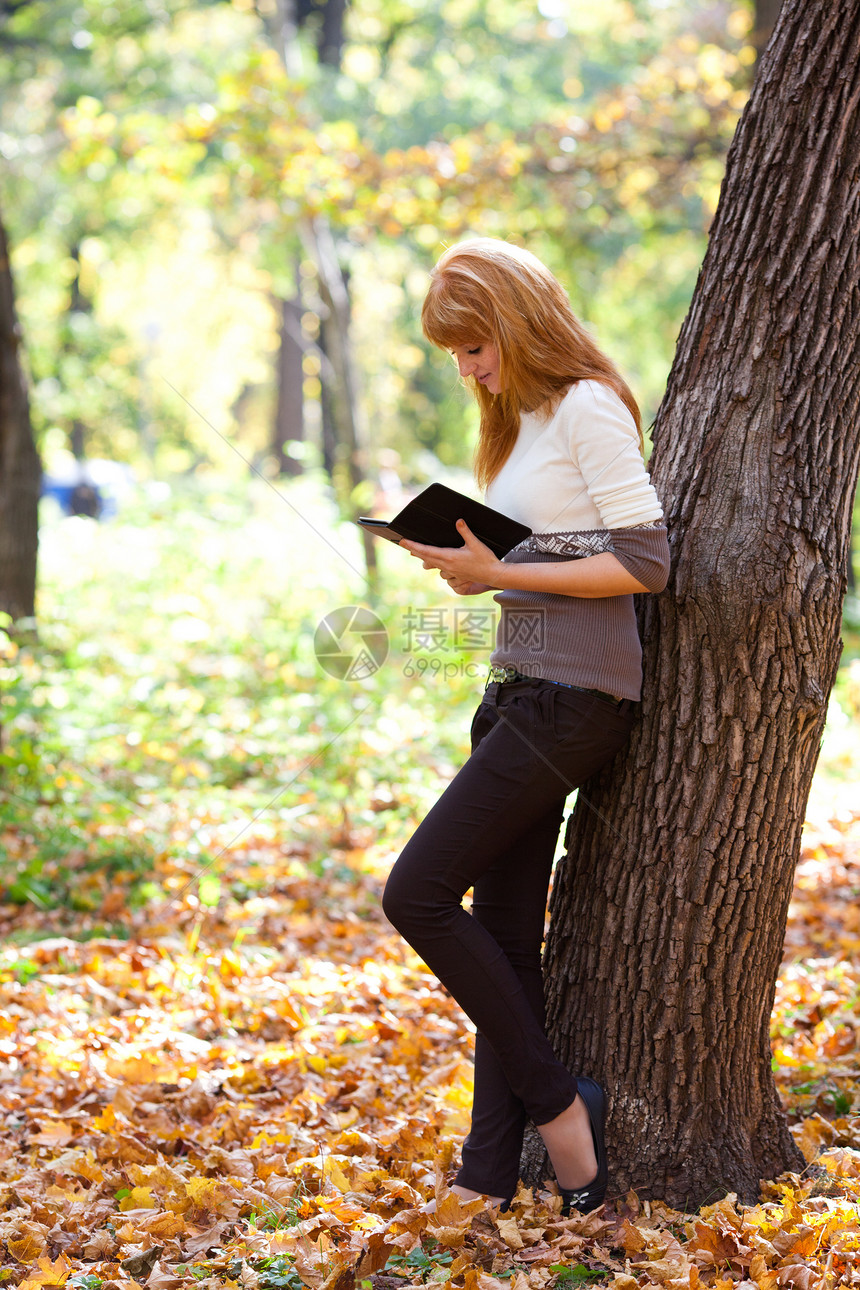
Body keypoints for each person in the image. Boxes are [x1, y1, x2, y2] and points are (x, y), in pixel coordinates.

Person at [381, 239, 670, 1213]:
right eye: (454, 355)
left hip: (575, 700)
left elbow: (643, 561)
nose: (466, 370)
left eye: (473, 347)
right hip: (515, 691)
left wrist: (497, 569)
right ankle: (488, 1173)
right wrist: (470, 554)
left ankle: (560, 1111)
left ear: (513, 322)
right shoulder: (522, 422)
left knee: (414, 893)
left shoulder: (589, 406)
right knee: (501, 936)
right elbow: (545, 551)